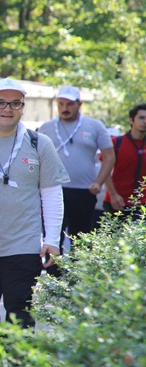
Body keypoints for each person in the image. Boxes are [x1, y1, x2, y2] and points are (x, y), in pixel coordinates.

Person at [0, 78, 68, 366]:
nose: (7, 109)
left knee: (20, 311)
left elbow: (52, 193)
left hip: (22, 246)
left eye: (15, 103)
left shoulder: (38, 143)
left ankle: (19, 360)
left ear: (23, 108)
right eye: (0, 102)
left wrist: (52, 241)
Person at [39, 85, 115, 248]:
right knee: (52, 236)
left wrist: (98, 182)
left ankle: (79, 272)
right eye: (60, 104)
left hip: (84, 190)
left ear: (79, 104)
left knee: (80, 237)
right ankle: (54, 272)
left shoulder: (95, 126)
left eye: (69, 104)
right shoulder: (46, 127)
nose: (64, 108)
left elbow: (109, 157)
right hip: (53, 189)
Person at [103, 103, 146, 214]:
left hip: (142, 204)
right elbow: (104, 171)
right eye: (141, 118)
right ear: (131, 120)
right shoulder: (116, 143)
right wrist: (113, 194)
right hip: (117, 202)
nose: (145, 121)